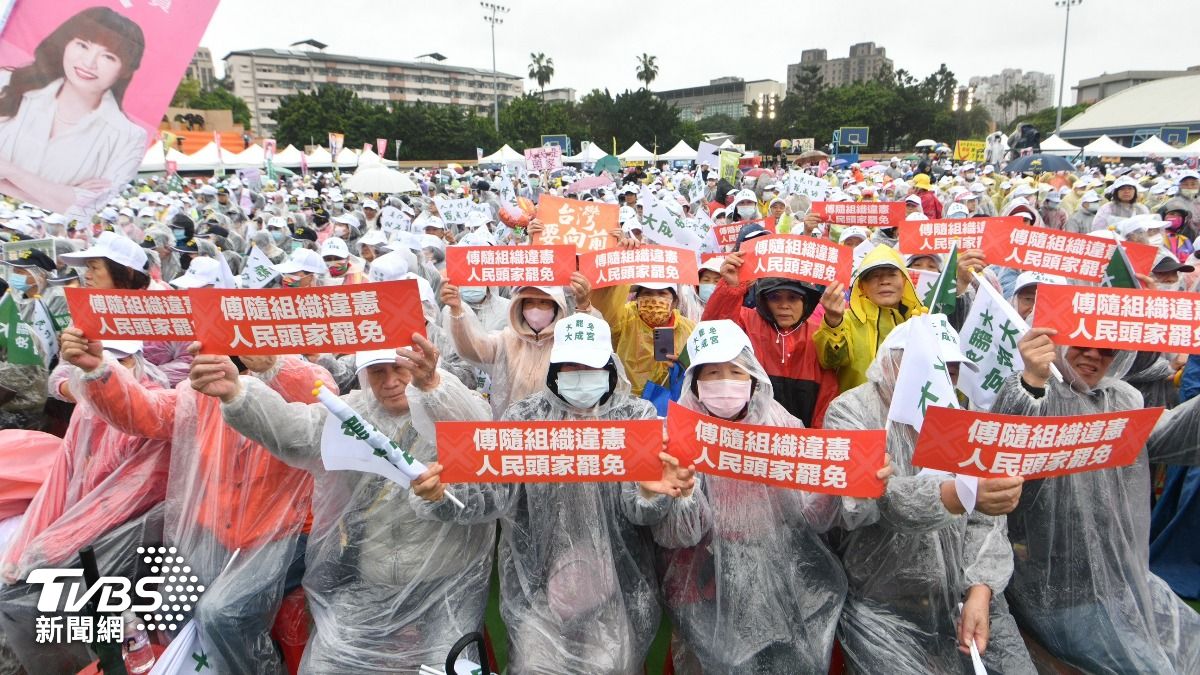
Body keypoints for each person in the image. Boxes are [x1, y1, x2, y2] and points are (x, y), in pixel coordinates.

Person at [193, 336, 497, 672]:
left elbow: (487, 469)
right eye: (377, 371)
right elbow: (297, 430)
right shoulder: (354, 413)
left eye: (399, 368)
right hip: (372, 578)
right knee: (324, 666)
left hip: (447, 584)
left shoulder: (452, 403)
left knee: (449, 667)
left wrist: (441, 495)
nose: (391, 381)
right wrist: (238, 394)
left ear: (419, 363)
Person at [412, 313, 695, 674]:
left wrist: (651, 496)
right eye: (569, 366)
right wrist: (439, 496)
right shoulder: (525, 419)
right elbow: (495, 493)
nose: (579, 375)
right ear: (553, 370)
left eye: (590, 366)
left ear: (609, 367)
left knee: (612, 666)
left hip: (618, 591)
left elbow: (643, 514)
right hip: (538, 589)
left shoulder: (635, 418)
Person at [58, 327, 335, 675]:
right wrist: (98, 370)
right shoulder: (199, 392)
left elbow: (323, 397)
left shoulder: (295, 374)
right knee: (170, 605)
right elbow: (146, 412)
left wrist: (273, 366)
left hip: (284, 534)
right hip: (216, 532)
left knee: (222, 614)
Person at [652, 320, 889, 673]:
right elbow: (678, 534)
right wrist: (684, 495)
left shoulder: (781, 425)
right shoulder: (677, 434)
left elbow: (811, 516)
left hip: (779, 573)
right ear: (696, 383)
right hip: (706, 582)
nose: (724, 383)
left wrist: (843, 481)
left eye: (735, 371)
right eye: (713, 373)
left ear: (753, 376)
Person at [825, 315, 1036, 674]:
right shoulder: (851, 413)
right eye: (928, 365)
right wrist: (959, 494)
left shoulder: (962, 419)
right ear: (891, 362)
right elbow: (876, 500)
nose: (940, 379)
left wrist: (980, 592)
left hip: (961, 592)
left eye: (951, 370)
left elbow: (987, 523)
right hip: (884, 601)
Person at [993, 325, 1200, 673]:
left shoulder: (1123, 397)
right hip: (1056, 588)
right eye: (1082, 344)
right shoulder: (1033, 392)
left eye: (1106, 349)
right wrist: (1031, 379)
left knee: (1191, 645)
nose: (1093, 355)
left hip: (1123, 579)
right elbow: (1003, 445)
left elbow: (1170, 434)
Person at [0, 341, 167, 675]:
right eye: (101, 360)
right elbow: (60, 485)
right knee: (14, 584)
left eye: (118, 361)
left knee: (36, 595)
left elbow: (121, 503)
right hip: (82, 535)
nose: (107, 370)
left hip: (124, 541)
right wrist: (22, 552)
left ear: (136, 361)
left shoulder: (153, 414)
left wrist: (46, 551)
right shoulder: (87, 411)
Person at [0, 7, 147, 218]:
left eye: (108, 56)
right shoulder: (7, 83)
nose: (89, 63)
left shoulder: (128, 137)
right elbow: (70, 203)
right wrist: (63, 194)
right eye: (83, 45)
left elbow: (86, 209)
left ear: (125, 69)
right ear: (66, 44)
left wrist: (11, 172)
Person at [701, 253, 839, 427]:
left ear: (806, 302)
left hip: (802, 445)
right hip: (747, 436)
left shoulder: (818, 334)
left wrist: (816, 442)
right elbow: (713, 333)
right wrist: (730, 289)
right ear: (764, 300)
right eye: (775, 297)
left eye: (793, 297)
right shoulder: (746, 321)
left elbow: (827, 397)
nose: (784, 305)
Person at [49, 232, 192, 393]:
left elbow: (190, 362)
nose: (87, 275)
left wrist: (134, 377)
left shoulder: (166, 308)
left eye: (94, 267)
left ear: (127, 272)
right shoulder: (88, 310)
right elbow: (60, 378)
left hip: (157, 411)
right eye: (88, 268)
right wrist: (89, 385)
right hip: (94, 415)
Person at [442, 277, 594, 418]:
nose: (536, 309)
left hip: (557, 428)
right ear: (519, 307)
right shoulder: (508, 339)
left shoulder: (566, 340)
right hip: (515, 426)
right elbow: (474, 349)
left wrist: (584, 306)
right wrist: (457, 312)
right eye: (529, 302)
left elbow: (590, 348)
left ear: (556, 307)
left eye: (543, 302)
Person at [814, 245, 924, 392]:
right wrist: (833, 322)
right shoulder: (846, 320)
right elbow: (830, 361)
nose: (884, 281)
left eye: (891, 274)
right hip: (855, 412)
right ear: (861, 286)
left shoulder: (919, 322)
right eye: (874, 276)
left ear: (905, 281)